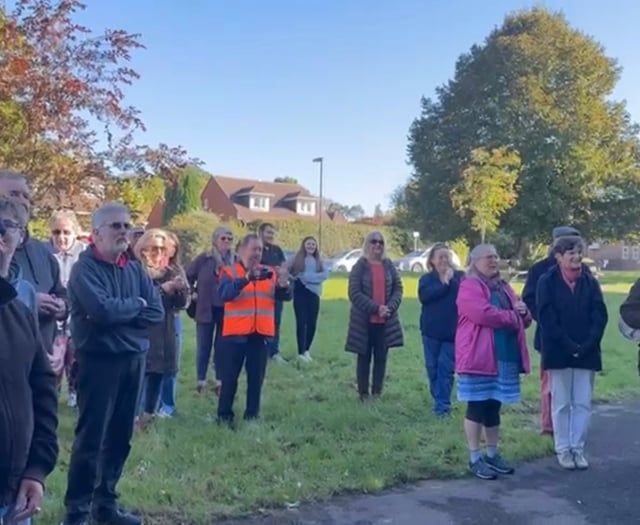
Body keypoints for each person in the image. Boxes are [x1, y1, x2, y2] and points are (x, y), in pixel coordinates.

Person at [62, 202, 164, 525]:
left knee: (121, 438)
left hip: (134, 361)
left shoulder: (134, 268)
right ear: (96, 234)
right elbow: (100, 312)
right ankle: (77, 512)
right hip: (99, 364)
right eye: (115, 226)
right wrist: (135, 305)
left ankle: (105, 505)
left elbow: (157, 312)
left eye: (126, 225)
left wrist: (124, 310)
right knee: (91, 440)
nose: (124, 231)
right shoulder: (84, 270)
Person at [0, 197, 58, 525]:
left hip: (14, 496)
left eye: (7, 226)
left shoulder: (20, 312)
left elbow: (43, 389)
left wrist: (36, 470)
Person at [456, 244, 531, 480]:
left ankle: (492, 454)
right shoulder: (469, 285)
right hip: (479, 356)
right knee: (477, 405)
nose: (494, 261)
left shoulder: (504, 286)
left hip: (503, 356)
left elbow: (524, 319)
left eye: (496, 257)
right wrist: (513, 317)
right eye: (489, 257)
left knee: (494, 406)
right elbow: (482, 314)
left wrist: (524, 312)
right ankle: (474, 457)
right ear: (475, 261)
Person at [537, 236, 608, 471]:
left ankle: (577, 448)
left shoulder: (590, 281)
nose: (577, 257)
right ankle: (563, 449)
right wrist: (568, 345)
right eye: (571, 253)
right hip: (559, 351)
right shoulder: (546, 282)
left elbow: (600, 314)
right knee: (561, 403)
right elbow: (547, 317)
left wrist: (587, 343)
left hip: (586, 351)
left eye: (579, 252)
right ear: (558, 257)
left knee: (582, 402)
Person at [217, 234, 292, 426]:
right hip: (235, 335)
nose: (257, 254)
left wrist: (284, 286)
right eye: (254, 249)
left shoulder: (269, 272)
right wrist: (246, 279)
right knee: (229, 378)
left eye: (260, 250)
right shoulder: (230, 271)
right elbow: (224, 294)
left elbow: (283, 296)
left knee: (256, 379)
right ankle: (224, 416)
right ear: (242, 250)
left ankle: (252, 415)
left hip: (260, 334)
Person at [522, 226, 586, 436]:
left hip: (579, 338)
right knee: (550, 384)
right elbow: (529, 300)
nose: (575, 253)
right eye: (569, 246)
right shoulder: (539, 270)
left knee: (576, 385)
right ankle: (550, 426)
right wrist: (550, 322)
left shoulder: (585, 271)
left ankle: (572, 425)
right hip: (550, 337)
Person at [0, 170, 67, 356]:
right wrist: (27, 302)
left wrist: (62, 307)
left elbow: (61, 292)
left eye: (26, 196)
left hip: (42, 357)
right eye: (14, 194)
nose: (22, 201)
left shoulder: (43, 251)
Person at [135, 229, 189, 429]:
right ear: (143, 249)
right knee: (141, 377)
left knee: (160, 374)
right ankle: (133, 419)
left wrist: (180, 289)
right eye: (154, 249)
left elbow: (181, 304)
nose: (159, 254)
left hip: (166, 332)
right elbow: (139, 301)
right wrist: (162, 289)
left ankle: (149, 418)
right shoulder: (136, 271)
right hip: (143, 332)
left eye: (163, 249)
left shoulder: (171, 271)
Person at [345, 231, 404, 401]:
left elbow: (398, 289)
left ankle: (377, 393)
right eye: (373, 241)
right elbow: (354, 293)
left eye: (381, 242)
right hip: (364, 321)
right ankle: (363, 394)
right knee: (364, 357)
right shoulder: (360, 266)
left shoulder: (389, 265)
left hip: (385, 320)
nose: (377, 245)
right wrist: (376, 308)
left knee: (381, 357)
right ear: (367, 244)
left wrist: (389, 308)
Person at [187, 226, 235, 394]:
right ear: (215, 240)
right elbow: (187, 276)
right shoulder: (204, 259)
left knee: (222, 347)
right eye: (224, 238)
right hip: (205, 308)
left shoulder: (235, 261)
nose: (227, 241)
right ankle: (201, 381)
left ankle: (219, 381)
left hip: (227, 309)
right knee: (204, 346)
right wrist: (192, 293)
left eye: (230, 239)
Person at [418, 243, 464, 417]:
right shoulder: (426, 280)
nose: (445, 260)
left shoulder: (460, 278)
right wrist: (444, 284)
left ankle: (442, 408)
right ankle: (439, 399)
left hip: (452, 333)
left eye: (447, 256)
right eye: (440, 257)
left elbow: (466, 297)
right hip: (430, 333)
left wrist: (451, 281)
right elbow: (425, 297)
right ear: (432, 261)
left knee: (446, 369)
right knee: (433, 369)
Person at [49, 209, 87, 408]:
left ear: (75, 232)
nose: (61, 238)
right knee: (54, 361)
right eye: (56, 233)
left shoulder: (85, 255)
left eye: (66, 232)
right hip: (53, 318)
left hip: (78, 318)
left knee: (75, 360)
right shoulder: (46, 255)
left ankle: (74, 393)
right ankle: (51, 396)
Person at [157, 231, 187, 417]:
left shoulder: (177, 270)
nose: (170, 250)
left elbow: (186, 300)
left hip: (172, 319)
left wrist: (180, 292)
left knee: (171, 364)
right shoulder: (145, 268)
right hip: (151, 322)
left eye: (173, 247)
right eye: (166, 245)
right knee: (152, 365)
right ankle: (149, 404)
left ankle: (167, 405)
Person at [289, 236, 329, 362]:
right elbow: (287, 271)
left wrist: (307, 277)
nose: (311, 246)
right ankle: (301, 352)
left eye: (313, 244)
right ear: (303, 245)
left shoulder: (319, 261)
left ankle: (307, 350)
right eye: (308, 244)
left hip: (314, 294)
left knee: (312, 323)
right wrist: (294, 278)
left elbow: (325, 275)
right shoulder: (296, 259)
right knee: (301, 322)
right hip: (300, 293)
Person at [258, 222, 287, 363]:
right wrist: (271, 269)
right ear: (261, 233)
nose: (271, 235)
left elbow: (283, 266)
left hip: (276, 292)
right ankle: (261, 350)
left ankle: (274, 351)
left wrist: (281, 272)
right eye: (268, 232)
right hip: (260, 293)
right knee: (261, 322)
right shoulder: (256, 249)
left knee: (276, 321)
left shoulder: (277, 250)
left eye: (272, 233)